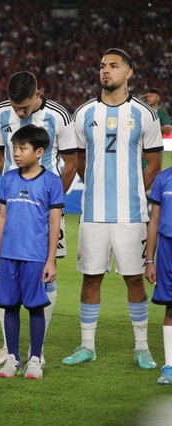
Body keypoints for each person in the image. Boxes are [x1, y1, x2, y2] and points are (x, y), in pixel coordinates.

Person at [62, 48, 163, 369]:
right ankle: (86, 346)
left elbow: (155, 162)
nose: (106, 71)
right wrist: (93, 185)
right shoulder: (84, 113)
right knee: (90, 278)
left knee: (134, 279)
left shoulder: (145, 114)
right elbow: (78, 160)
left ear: (128, 73)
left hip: (132, 215)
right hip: (93, 213)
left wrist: (132, 189)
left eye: (114, 66)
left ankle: (142, 347)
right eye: (103, 66)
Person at [0, 71, 78, 365]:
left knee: (46, 273)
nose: (20, 112)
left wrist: (50, 200)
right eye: (16, 106)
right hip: (13, 204)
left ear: (38, 93)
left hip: (46, 205)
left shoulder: (58, 116)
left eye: (24, 106)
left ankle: (36, 350)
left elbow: (72, 162)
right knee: (7, 276)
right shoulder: (1, 113)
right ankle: (7, 346)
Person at [0, 125, 63, 379]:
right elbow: (1, 217)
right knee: (10, 306)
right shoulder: (8, 178)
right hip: (9, 255)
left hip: (35, 257)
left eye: (23, 148)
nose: (17, 153)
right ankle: (12, 358)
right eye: (14, 148)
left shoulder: (52, 181)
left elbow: (54, 222)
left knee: (34, 307)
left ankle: (34, 359)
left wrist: (50, 260)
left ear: (39, 151)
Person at [144, 166, 172, 385]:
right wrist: (150, 260)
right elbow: (154, 221)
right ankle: (169, 367)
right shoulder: (163, 179)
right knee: (171, 307)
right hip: (166, 250)